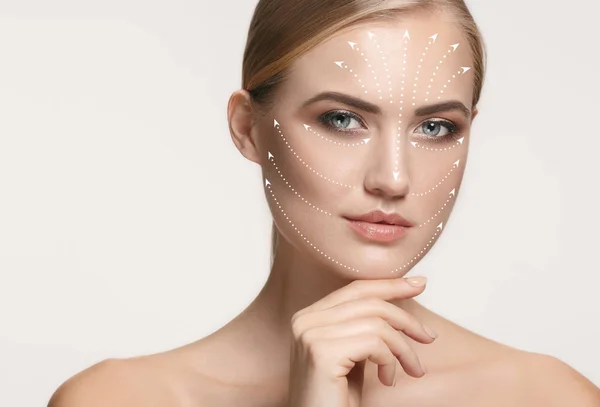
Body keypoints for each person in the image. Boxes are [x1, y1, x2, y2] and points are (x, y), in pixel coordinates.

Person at [48, 0, 600, 406]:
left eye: (435, 126)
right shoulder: (117, 399)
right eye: (342, 119)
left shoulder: (550, 397)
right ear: (248, 128)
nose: (393, 177)